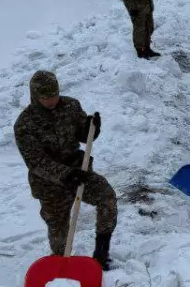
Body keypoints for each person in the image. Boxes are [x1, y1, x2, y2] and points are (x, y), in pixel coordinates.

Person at [14, 71, 117, 269]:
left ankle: (101, 252)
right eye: (46, 98)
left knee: (107, 198)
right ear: (35, 97)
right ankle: (62, 267)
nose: (52, 100)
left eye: (55, 95)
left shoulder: (71, 106)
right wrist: (66, 175)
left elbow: (82, 135)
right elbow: (36, 162)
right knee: (59, 232)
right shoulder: (25, 124)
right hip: (50, 184)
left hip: (79, 171)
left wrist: (90, 129)